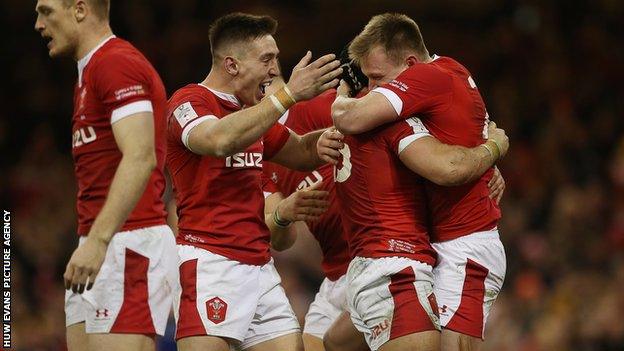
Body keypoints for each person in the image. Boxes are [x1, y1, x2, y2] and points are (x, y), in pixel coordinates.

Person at [331, 13, 508, 351]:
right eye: (366, 79)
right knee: (339, 342)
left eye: (378, 78)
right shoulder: (452, 70)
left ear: (411, 64)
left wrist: (340, 94)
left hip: (464, 247)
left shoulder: (427, 76)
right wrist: (491, 155)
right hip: (429, 247)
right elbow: (470, 135)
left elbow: (351, 116)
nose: (370, 90)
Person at [166, 12, 342, 351]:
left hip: (259, 267)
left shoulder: (254, 114)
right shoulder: (188, 102)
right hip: (210, 262)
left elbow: (303, 150)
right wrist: (288, 95)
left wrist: (341, 131)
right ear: (232, 65)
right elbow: (218, 140)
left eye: (275, 58)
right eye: (267, 59)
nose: (276, 70)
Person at [34, 1, 177, 350]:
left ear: (80, 9)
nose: (38, 24)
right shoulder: (89, 72)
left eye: (46, 11)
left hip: (127, 243)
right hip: (99, 242)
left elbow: (141, 156)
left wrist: (97, 242)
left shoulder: (116, 63)